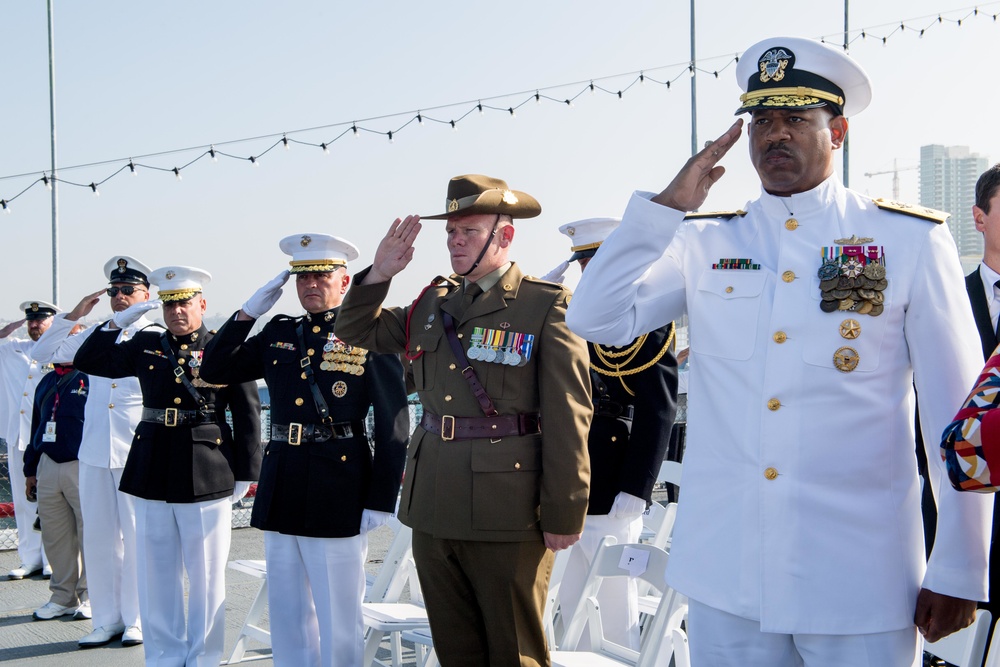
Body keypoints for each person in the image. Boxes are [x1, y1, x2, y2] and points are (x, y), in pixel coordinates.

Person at [565, 36, 990, 666]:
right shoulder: (703, 239)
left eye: (796, 118)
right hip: (728, 579)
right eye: (762, 120)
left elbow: (959, 420)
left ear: (837, 131)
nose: (775, 136)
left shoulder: (907, 240)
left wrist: (960, 565)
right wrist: (664, 210)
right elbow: (595, 319)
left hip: (857, 578)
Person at [336, 174, 592, 666]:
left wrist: (564, 511)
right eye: (451, 232)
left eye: (468, 231)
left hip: (508, 508)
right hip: (434, 500)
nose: (455, 241)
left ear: (505, 236)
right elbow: (355, 329)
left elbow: (569, 416)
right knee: (456, 648)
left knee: (513, 650)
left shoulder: (545, 305)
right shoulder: (434, 302)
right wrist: (379, 274)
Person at [199, 233, 409, 666]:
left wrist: (380, 497)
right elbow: (215, 368)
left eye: (321, 275)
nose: (311, 284)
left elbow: (393, 422)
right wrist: (247, 313)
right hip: (284, 479)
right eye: (303, 276)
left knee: (338, 610)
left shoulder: (370, 332)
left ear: (344, 280)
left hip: (339, 483)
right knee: (288, 608)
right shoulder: (279, 332)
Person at [73, 266, 262, 667]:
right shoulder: (147, 343)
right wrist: (120, 318)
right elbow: (88, 358)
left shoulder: (222, 348)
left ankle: (205, 657)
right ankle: (164, 655)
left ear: (202, 305)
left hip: (206, 468)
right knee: (157, 573)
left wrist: (247, 472)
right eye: (169, 303)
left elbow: (247, 413)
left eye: (185, 303)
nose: (177, 311)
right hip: (152, 466)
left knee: (207, 575)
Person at [549, 217, 678, 649]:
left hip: (613, 470)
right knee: (570, 595)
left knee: (613, 601)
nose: (589, 273)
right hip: (568, 472)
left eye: (597, 263)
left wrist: (638, 486)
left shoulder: (646, 319)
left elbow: (657, 409)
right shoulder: (570, 314)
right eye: (584, 264)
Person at [31, 256, 153, 648]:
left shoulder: (156, 333)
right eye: (114, 291)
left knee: (137, 539)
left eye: (128, 291)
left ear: (146, 294)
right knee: (100, 539)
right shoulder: (97, 332)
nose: (119, 298)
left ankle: (136, 618)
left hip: (135, 451)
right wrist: (73, 315)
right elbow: (42, 353)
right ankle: (106, 619)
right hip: (95, 451)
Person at [23, 351, 89, 621]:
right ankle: (62, 596)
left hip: (82, 464)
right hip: (48, 463)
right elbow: (36, 425)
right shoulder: (47, 380)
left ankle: (91, 596)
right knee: (55, 536)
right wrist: (30, 469)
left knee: (90, 535)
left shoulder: (91, 378)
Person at [0, 300, 59, 581]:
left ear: (52, 322)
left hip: (49, 439)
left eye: (41, 320)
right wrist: (8, 328)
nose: (35, 325)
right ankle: (29, 558)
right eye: (31, 320)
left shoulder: (61, 352)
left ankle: (51, 559)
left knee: (50, 501)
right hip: (17, 437)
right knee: (23, 503)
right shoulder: (12, 350)